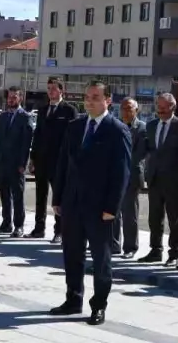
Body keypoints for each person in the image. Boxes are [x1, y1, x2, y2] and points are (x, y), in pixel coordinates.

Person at [50, 81, 132, 325]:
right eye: (87, 97)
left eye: (96, 97)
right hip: (73, 203)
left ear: (108, 100)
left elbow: (122, 173)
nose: (90, 101)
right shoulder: (75, 127)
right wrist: (58, 198)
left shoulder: (117, 130)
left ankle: (98, 305)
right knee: (72, 254)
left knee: (101, 259)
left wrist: (112, 208)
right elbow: (63, 164)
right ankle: (73, 299)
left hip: (100, 208)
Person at [141, 93, 178, 264]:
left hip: (174, 180)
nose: (159, 110)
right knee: (154, 218)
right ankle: (155, 250)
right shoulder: (151, 125)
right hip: (154, 179)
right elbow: (149, 150)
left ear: (172, 107)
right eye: (158, 106)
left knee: (175, 219)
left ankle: (175, 254)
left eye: (163, 107)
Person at [29, 78, 77, 241]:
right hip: (42, 160)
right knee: (40, 197)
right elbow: (38, 135)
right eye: (49, 88)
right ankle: (39, 228)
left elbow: (72, 138)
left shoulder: (69, 110)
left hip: (59, 162)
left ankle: (60, 231)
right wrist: (33, 158)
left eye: (54, 89)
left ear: (61, 91)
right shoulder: (42, 110)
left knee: (59, 198)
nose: (50, 91)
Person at [0, 86, 34, 238]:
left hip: (17, 164)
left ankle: (19, 226)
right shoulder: (3, 116)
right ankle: (6, 223)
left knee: (17, 196)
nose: (11, 100)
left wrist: (23, 163)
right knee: (4, 194)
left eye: (14, 97)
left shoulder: (25, 117)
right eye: (9, 97)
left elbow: (26, 142)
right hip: (2, 162)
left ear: (20, 98)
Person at [117, 98, 148, 259]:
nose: (125, 112)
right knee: (113, 211)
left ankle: (130, 247)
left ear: (136, 110)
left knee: (129, 213)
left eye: (129, 108)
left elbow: (138, 154)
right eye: (123, 108)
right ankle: (114, 244)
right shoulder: (117, 126)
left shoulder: (142, 128)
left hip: (132, 175)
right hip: (115, 175)